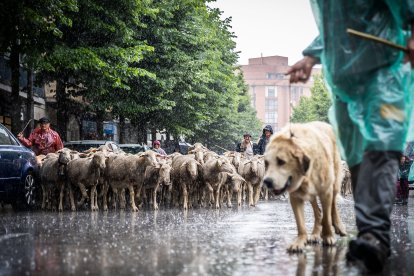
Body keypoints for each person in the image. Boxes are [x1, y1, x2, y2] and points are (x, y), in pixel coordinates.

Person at [286, 2, 414, 272]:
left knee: (381, 147)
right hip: (344, 82)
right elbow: (338, 25)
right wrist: (312, 57)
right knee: (357, 155)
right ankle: (369, 232)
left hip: (385, 71)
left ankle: (375, 236)